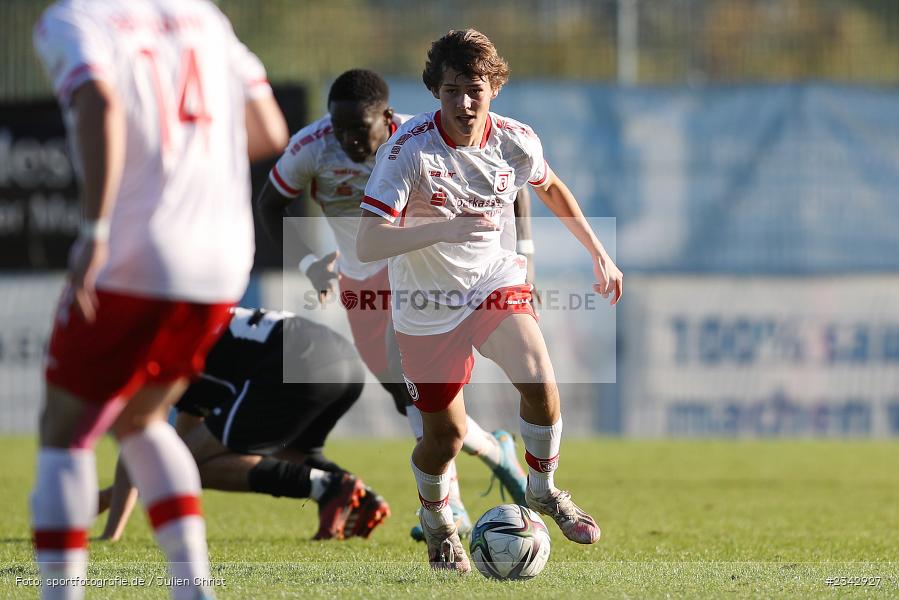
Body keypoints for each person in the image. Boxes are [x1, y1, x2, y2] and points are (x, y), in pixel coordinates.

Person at [31, 1, 288, 598]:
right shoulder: (205, 17)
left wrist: (96, 231)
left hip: (135, 254)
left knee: (64, 430)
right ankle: (192, 587)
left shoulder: (75, 18)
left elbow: (99, 103)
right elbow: (268, 131)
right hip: (220, 261)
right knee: (141, 420)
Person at [356, 29, 623, 571]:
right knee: (446, 438)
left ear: (493, 89)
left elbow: (550, 187)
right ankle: (437, 523)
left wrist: (599, 253)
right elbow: (368, 242)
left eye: (474, 89)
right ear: (436, 91)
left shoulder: (516, 140)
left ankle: (542, 489)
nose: (463, 103)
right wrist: (442, 229)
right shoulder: (407, 151)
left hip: (492, 284)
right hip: (426, 307)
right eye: (451, 90)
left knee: (539, 379)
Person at [255, 68, 529, 540]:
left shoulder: (417, 137)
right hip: (360, 280)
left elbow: (514, 176)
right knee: (408, 397)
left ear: (385, 118)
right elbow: (269, 203)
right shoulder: (311, 147)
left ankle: (449, 506)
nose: (348, 139)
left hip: (421, 271)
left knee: (411, 375)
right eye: (339, 128)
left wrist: (522, 252)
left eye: (359, 129)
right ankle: (494, 449)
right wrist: (308, 263)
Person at [97, 307, 390, 543]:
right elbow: (186, 436)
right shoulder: (182, 323)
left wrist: (107, 514)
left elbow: (146, 437)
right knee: (293, 453)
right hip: (344, 360)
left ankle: (326, 487)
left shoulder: (157, 349)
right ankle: (363, 497)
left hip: (295, 359)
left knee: (187, 467)